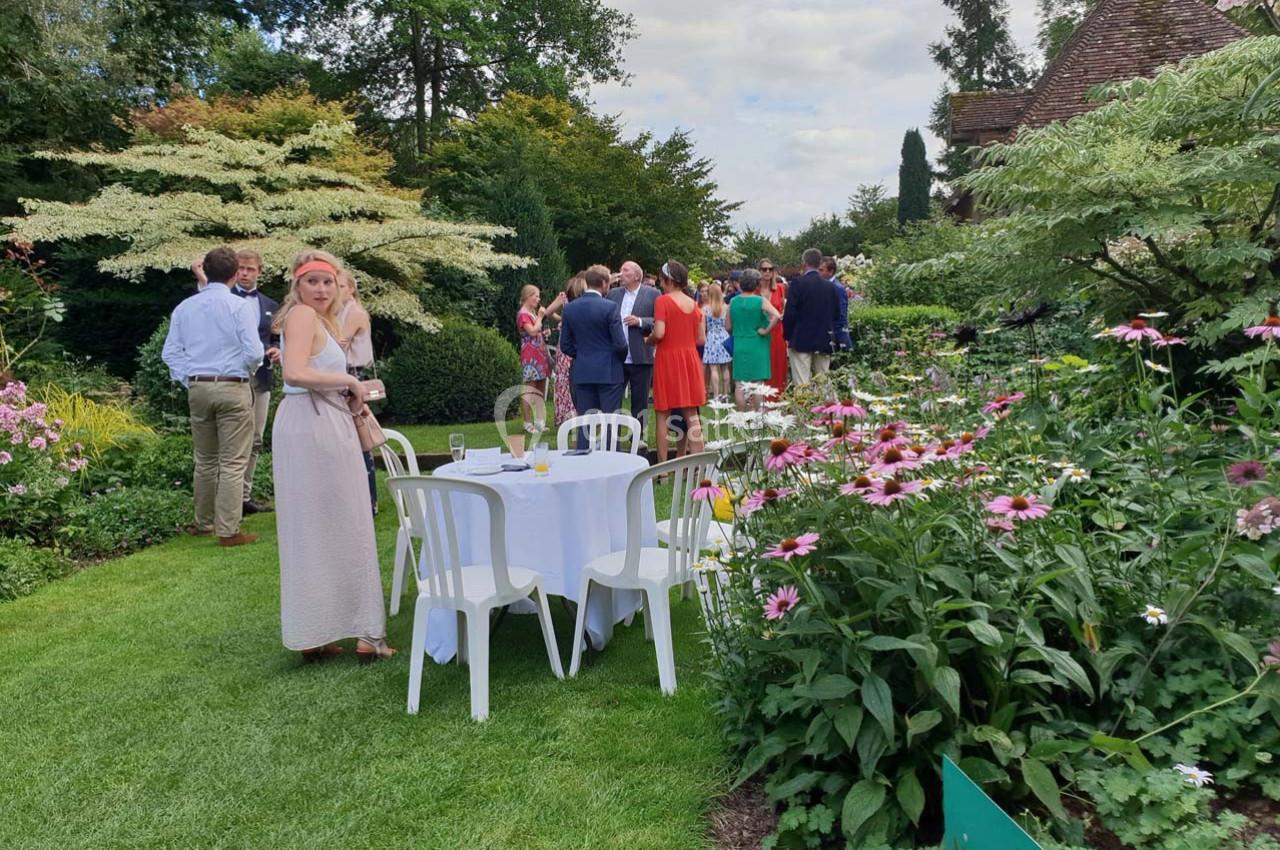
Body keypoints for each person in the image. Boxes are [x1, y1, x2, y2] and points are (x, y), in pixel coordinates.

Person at [272, 250, 392, 663]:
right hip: (315, 423)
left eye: (328, 282)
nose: (321, 289)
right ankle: (363, 634)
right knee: (344, 518)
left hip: (313, 421)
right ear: (297, 285)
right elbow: (294, 373)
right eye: (313, 282)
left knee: (316, 522)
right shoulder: (303, 316)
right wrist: (345, 379)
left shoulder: (316, 319)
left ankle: (318, 632)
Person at [162, 246, 264, 547]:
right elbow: (254, 351)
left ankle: (203, 522)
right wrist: (245, 371)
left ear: (205, 270)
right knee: (233, 461)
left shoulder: (184, 307)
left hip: (198, 386)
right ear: (235, 274)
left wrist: (189, 379)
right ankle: (229, 530)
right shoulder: (238, 306)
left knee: (205, 459)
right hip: (232, 384)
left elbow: (170, 353)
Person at [227, 250, 280, 516]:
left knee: (256, 438)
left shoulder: (271, 305)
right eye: (241, 269)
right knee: (233, 437)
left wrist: (277, 349)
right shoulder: (223, 299)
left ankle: (245, 497)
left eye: (250, 269)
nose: (245, 273)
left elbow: (278, 337)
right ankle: (229, 497)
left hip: (261, 378)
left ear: (260, 271)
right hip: (232, 375)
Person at [559, 265, 627, 448]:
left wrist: (581, 355)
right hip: (609, 371)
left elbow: (565, 344)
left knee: (585, 424)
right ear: (604, 283)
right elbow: (621, 344)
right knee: (610, 423)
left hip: (582, 370)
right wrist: (616, 359)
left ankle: (583, 462)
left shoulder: (570, 308)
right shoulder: (610, 307)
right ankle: (611, 463)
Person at [650, 261, 706, 462]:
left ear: (668, 280)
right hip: (690, 359)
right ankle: (699, 464)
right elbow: (701, 339)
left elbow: (659, 332)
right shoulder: (694, 305)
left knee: (662, 414)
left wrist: (649, 340)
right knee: (692, 415)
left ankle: (663, 471)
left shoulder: (663, 301)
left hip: (668, 359)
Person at [337, 270, 377, 514]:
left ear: (351, 289)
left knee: (360, 437)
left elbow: (339, 344)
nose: (336, 291)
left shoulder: (354, 313)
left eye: (341, 286)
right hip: (347, 374)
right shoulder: (340, 313)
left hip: (353, 375)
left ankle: (367, 500)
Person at [605, 260, 658, 442]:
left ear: (637, 275)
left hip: (640, 354)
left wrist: (641, 321)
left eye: (625, 270)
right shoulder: (613, 294)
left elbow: (659, 320)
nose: (621, 273)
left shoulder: (652, 294)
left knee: (640, 398)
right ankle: (613, 435)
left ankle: (639, 436)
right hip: (617, 356)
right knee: (614, 398)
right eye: (620, 270)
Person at [782, 248, 841, 385]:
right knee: (823, 382)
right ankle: (824, 407)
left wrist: (789, 336)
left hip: (801, 338)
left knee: (802, 384)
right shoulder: (830, 287)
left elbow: (790, 313)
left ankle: (805, 407)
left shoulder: (798, 284)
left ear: (804, 263)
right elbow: (836, 314)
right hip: (824, 338)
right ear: (820, 262)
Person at [727, 269, 780, 411]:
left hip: (739, 343)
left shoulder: (733, 301)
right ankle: (757, 415)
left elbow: (728, 326)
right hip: (758, 344)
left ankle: (742, 416)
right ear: (756, 284)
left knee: (739, 383)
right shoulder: (760, 301)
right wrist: (765, 330)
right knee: (757, 382)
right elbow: (777, 315)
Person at [516, 284, 564, 434]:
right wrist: (541, 317)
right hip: (530, 356)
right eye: (536, 296)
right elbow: (531, 332)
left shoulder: (532, 313)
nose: (538, 299)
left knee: (541, 387)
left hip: (540, 354)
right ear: (528, 297)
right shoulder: (523, 314)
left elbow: (537, 331)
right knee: (530, 388)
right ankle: (527, 422)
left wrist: (544, 333)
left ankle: (539, 421)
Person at [552, 276, 586, 427]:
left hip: (568, 347)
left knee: (567, 381)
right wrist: (561, 319)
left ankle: (571, 414)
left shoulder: (571, 307)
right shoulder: (567, 302)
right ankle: (568, 415)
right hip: (570, 348)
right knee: (565, 381)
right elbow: (547, 312)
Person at [758, 259, 789, 397]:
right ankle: (761, 398)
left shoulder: (780, 288)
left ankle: (778, 397)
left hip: (777, 332)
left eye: (770, 269)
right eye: (764, 269)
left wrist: (781, 315)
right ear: (759, 271)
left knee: (778, 365)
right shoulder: (754, 290)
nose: (767, 272)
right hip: (760, 332)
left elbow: (784, 308)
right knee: (761, 365)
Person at [702, 282, 732, 401]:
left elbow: (704, 327)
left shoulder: (705, 309)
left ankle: (715, 395)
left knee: (713, 368)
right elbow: (729, 325)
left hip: (711, 337)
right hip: (724, 336)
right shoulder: (726, 307)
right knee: (725, 368)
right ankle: (725, 394)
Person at [820, 256, 853, 352]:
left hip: (836, 336)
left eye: (821, 270)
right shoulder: (824, 286)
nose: (818, 273)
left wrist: (841, 339)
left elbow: (841, 315)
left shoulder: (837, 288)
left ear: (831, 272)